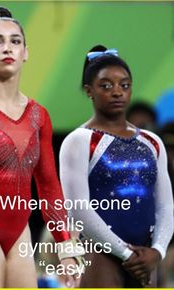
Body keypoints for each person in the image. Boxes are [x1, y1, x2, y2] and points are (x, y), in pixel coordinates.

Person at [0, 7, 84, 288]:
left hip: (19, 231)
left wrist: (65, 245)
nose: (7, 47)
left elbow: (48, 185)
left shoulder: (38, 115)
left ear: (25, 52)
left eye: (15, 41)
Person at [59, 45, 174, 287]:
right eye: (106, 86)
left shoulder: (152, 142)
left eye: (124, 85)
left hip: (145, 258)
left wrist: (158, 251)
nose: (117, 92)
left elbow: (165, 206)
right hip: (100, 254)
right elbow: (78, 210)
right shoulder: (79, 141)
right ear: (89, 90)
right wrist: (125, 253)